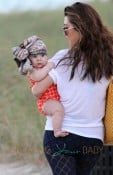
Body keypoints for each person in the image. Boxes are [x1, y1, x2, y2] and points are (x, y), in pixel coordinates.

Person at [31, 2, 113, 175]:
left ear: (80, 29)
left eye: (66, 28)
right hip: (92, 140)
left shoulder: (63, 57)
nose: (65, 33)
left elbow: (38, 91)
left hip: (60, 137)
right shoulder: (108, 59)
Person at [12, 35, 69, 138]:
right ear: (29, 60)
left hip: (54, 98)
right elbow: (39, 77)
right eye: (34, 57)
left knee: (60, 109)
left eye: (42, 55)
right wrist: (50, 65)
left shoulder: (46, 66)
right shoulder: (33, 71)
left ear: (47, 56)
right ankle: (57, 131)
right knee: (58, 109)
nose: (39, 59)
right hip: (45, 101)